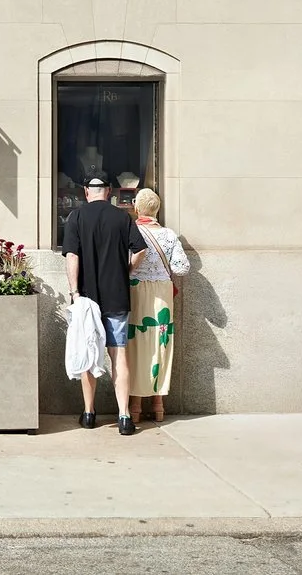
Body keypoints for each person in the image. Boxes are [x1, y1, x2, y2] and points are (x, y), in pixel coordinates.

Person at [60, 173, 145, 435]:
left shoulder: (76, 217)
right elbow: (140, 249)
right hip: (117, 296)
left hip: (86, 299)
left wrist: (74, 292)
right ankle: (124, 416)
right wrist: (126, 270)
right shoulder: (122, 217)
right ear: (108, 191)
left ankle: (88, 413)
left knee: (88, 354)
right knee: (118, 354)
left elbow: (72, 254)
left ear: (86, 191)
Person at [126, 187, 190, 423]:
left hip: (137, 290)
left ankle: (135, 406)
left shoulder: (131, 232)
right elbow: (182, 268)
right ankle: (158, 404)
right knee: (161, 343)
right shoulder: (170, 235)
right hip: (162, 293)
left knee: (136, 344)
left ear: (136, 208)